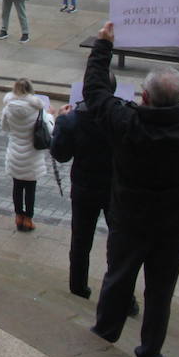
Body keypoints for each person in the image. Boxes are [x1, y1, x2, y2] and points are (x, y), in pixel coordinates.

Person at [85, 15, 179, 357]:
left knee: (118, 278)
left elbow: (96, 93)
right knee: (160, 291)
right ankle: (150, 353)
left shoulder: (126, 124)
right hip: (173, 224)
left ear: (143, 97)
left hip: (130, 219)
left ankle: (106, 331)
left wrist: (103, 45)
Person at [52, 71, 136, 307]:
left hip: (84, 186)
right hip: (116, 189)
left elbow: (60, 154)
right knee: (120, 243)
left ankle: (78, 288)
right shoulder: (125, 116)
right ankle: (125, 298)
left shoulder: (73, 119)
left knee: (80, 241)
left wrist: (60, 121)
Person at [1, 78, 51, 232]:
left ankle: (18, 216)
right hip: (32, 156)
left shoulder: (8, 108)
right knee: (30, 189)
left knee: (17, 186)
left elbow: (4, 127)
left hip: (15, 153)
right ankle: (28, 219)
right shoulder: (38, 110)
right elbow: (48, 129)